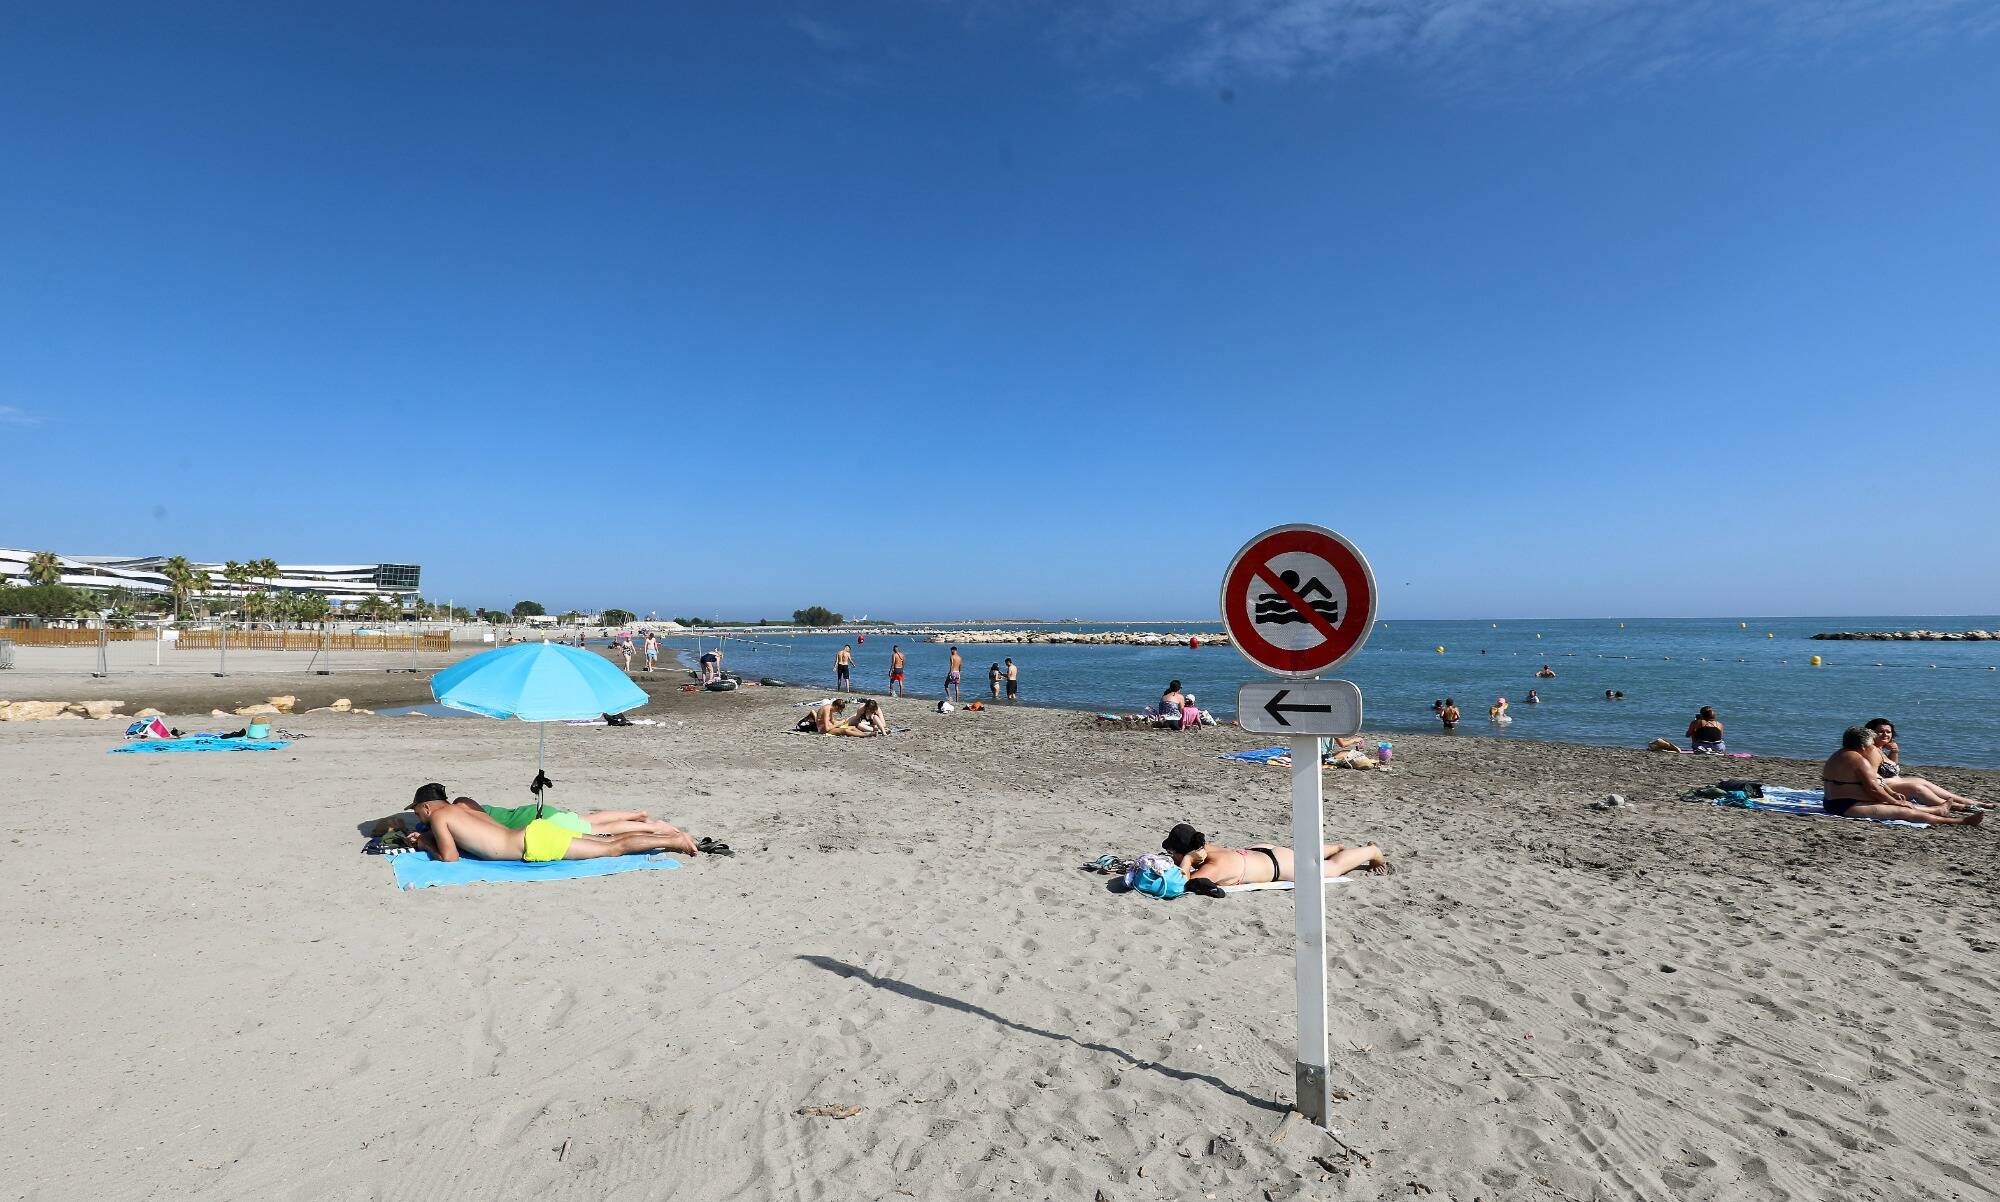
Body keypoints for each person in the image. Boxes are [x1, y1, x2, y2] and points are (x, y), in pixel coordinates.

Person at [407, 790, 698, 862]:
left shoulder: (439, 817)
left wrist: (423, 841)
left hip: (533, 844)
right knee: (606, 839)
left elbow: (450, 858)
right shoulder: (464, 807)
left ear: (428, 807)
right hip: (535, 830)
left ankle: (674, 841)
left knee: (613, 847)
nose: (421, 817)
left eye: (419, 811)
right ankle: (663, 834)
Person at [1163, 823, 1390, 893]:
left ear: (1187, 852)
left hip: (1276, 865)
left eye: (1174, 853)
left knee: (1331, 869)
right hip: (1261, 852)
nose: (1171, 857)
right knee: (1303, 857)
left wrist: (1187, 861)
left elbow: (1181, 883)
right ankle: (1334, 846)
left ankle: (1372, 851)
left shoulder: (1214, 866)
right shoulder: (1206, 847)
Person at [1820, 727, 1981, 826]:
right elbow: (1873, 788)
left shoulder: (1840, 754)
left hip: (1834, 801)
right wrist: (1894, 800)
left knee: (1898, 805)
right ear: (1863, 745)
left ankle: (1937, 809)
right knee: (1901, 811)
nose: (1873, 747)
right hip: (1844, 806)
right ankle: (1961, 821)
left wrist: (1890, 794)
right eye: (1871, 744)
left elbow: (1874, 785)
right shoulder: (1857, 759)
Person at [1864, 718, 1988, 811]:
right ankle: (1959, 807)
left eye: (1888, 732)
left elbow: (1892, 767)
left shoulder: (1880, 749)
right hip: (1888, 787)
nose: (1885, 734)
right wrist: (1889, 793)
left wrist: (1895, 751)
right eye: (1880, 731)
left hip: (1895, 781)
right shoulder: (1872, 751)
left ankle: (1971, 801)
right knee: (1917, 787)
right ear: (1871, 733)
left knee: (1921, 780)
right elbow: (1873, 776)